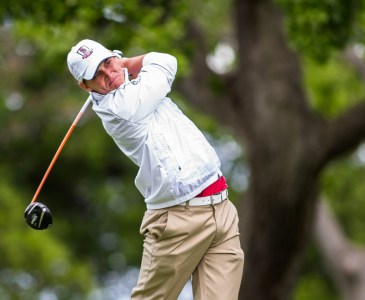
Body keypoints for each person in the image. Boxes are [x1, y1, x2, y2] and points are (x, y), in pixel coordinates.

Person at [66, 39, 244, 299]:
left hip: (222, 210)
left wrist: (120, 65)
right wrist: (125, 63)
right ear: (85, 85)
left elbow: (162, 64)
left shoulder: (134, 87)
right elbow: (166, 62)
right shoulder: (119, 109)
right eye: (97, 74)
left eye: (107, 63)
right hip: (178, 221)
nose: (108, 74)